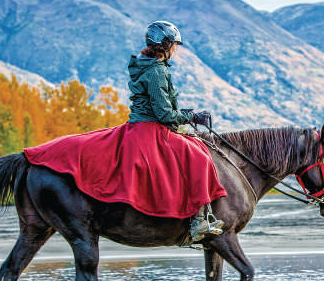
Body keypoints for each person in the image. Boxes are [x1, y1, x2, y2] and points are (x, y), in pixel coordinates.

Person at [23, 21, 227, 242]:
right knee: (198, 155)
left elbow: (162, 107)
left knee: (193, 147)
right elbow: (164, 115)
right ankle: (199, 220)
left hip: (140, 126)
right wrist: (192, 117)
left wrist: (186, 114)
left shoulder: (145, 65)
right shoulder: (156, 71)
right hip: (151, 129)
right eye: (174, 45)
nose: (175, 50)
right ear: (165, 45)